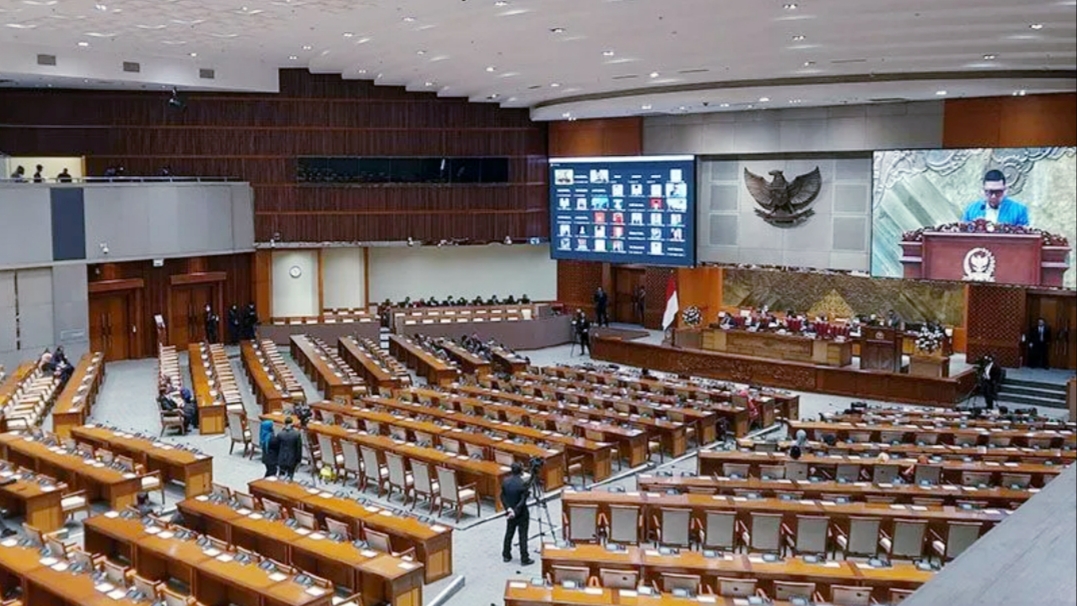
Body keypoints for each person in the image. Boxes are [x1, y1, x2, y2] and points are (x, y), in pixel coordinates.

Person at [961, 169, 1029, 226]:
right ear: (983, 191)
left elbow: (1024, 236)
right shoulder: (971, 210)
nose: (993, 196)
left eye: (998, 192)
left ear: (1005, 190)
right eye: (990, 192)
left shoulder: (1019, 210)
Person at [500, 462, 533, 565]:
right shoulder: (522, 484)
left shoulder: (505, 481)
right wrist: (515, 511)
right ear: (521, 471)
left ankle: (506, 555)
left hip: (510, 512)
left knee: (509, 533)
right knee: (523, 535)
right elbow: (522, 501)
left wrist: (508, 509)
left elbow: (502, 497)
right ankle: (524, 558)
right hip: (521, 513)